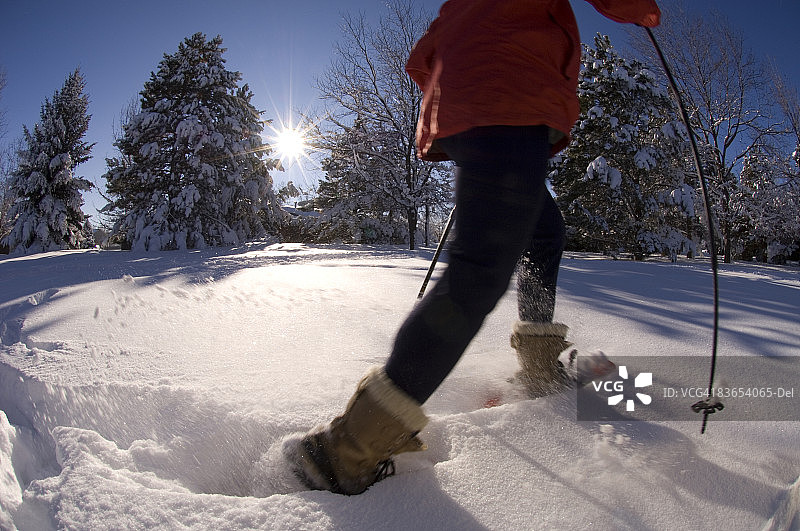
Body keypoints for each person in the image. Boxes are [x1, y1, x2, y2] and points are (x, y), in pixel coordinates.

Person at [287, 0, 661, 495]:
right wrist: (645, 13)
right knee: (481, 268)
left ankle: (538, 363)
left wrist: (462, 90)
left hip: (482, 104)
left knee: (542, 232)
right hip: (511, 95)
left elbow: (422, 56)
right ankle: (347, 449)